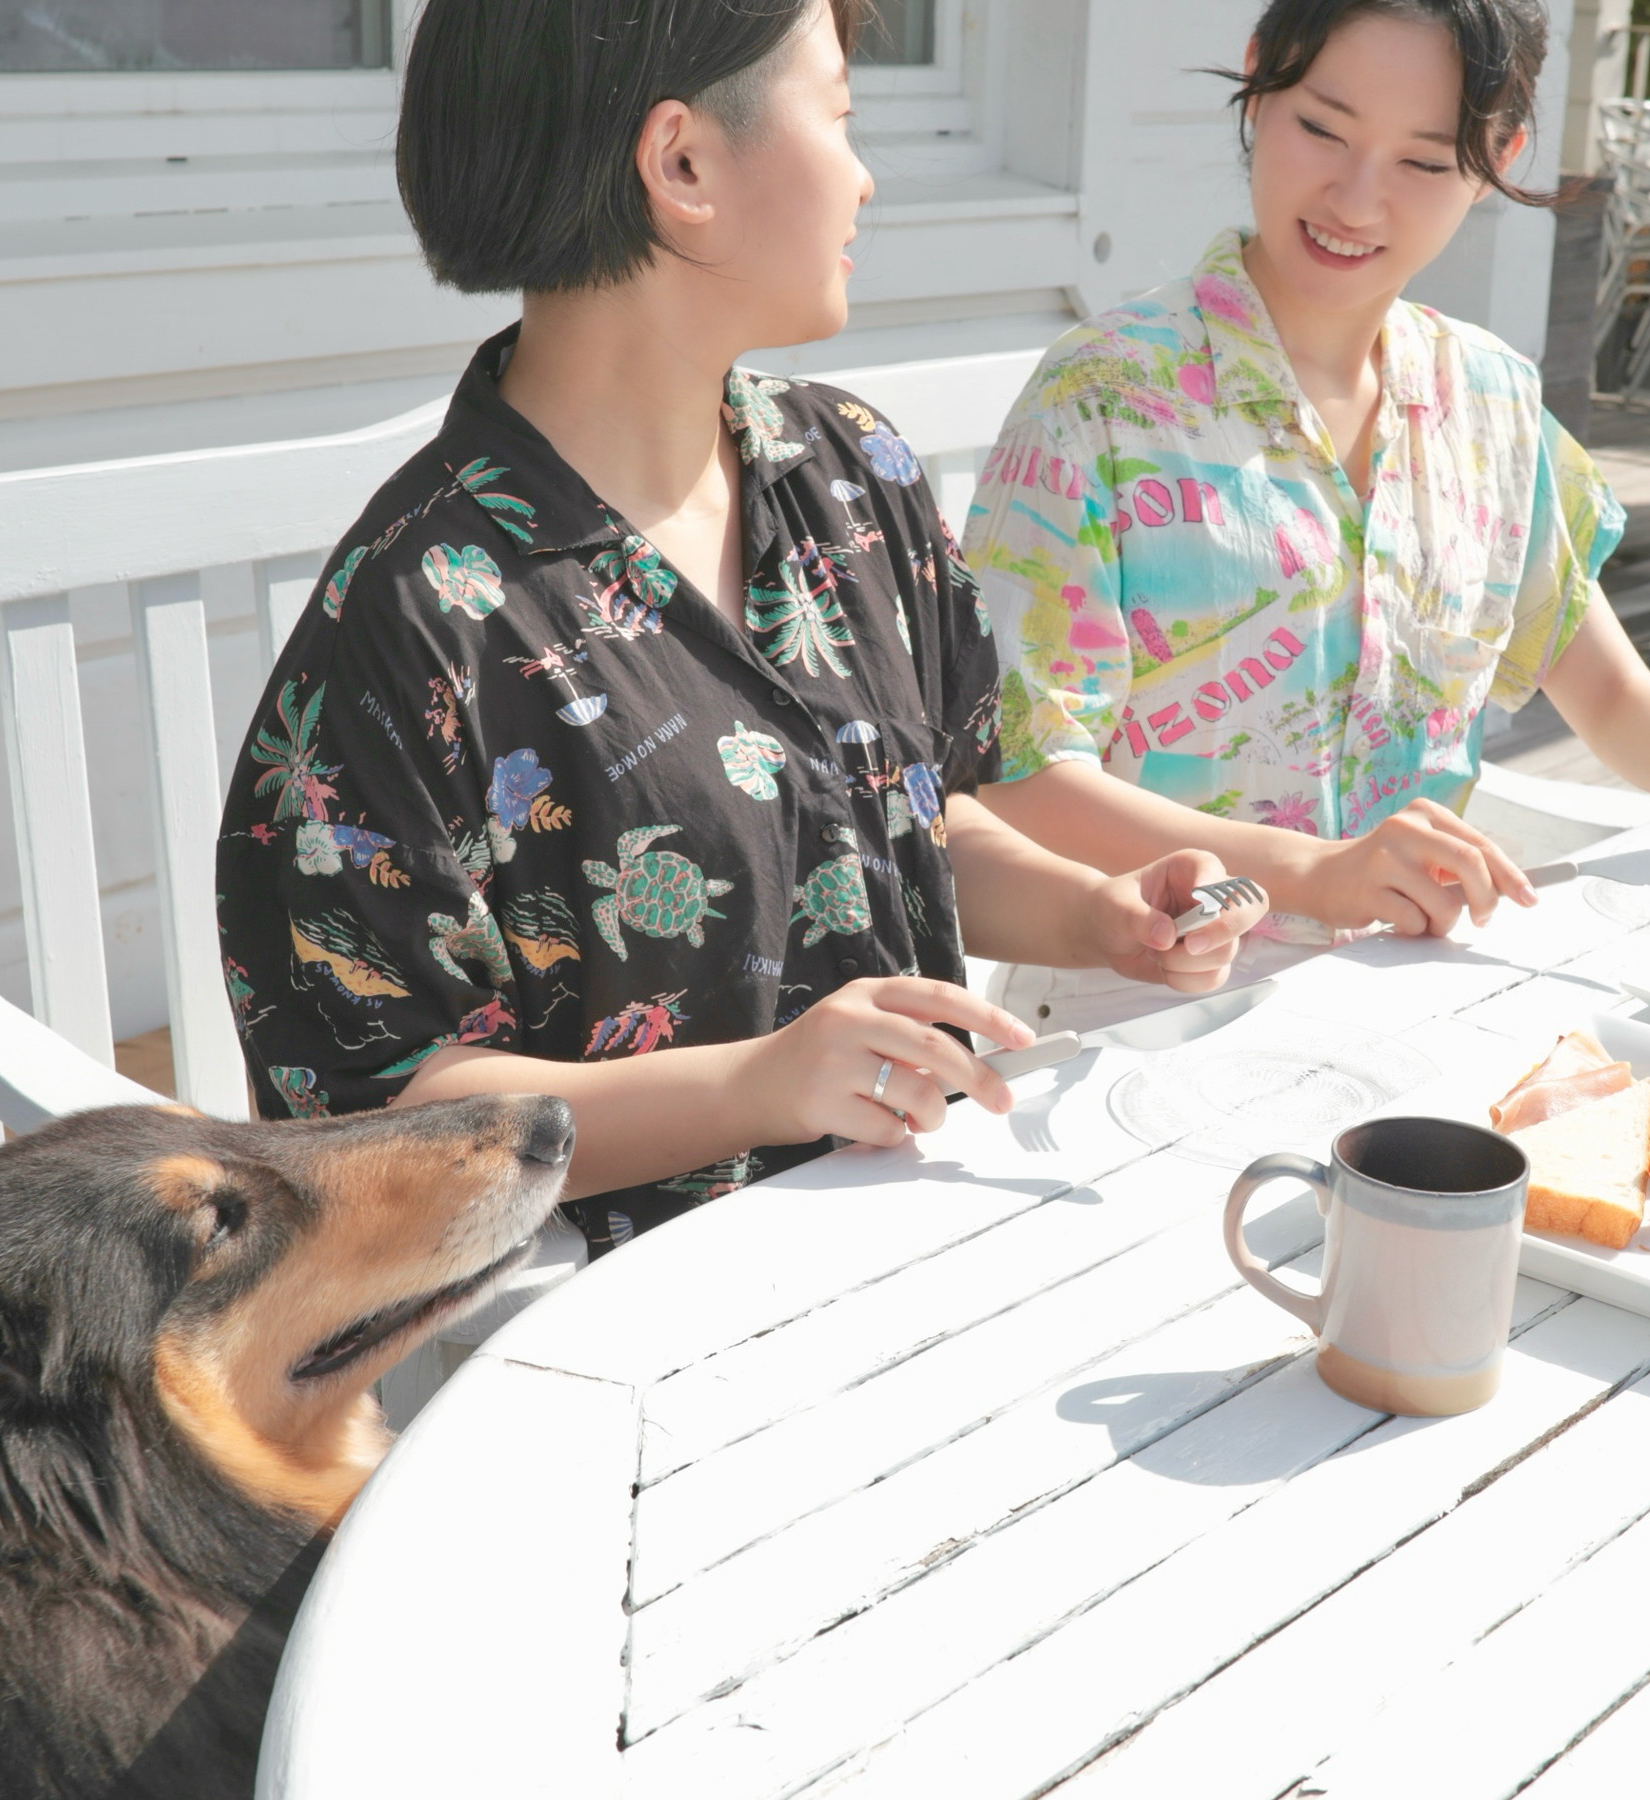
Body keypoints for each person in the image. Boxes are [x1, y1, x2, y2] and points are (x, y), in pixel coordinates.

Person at [215, 0, 1265, 1257]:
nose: (866, 177)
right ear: (682, 166)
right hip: (628, 1320)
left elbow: (915, 819)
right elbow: (378, 1117)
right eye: (838, 116)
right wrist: (758, 1086)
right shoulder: (419, 618)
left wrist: (1097, 916)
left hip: (934, 1219)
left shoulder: (849, 473)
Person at [966, 0, 1650, 1020]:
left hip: (1411, 1006)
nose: (1356, 201)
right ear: (1258, 83)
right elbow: (1018, 776)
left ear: (1499, 151)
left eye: (1419, 161)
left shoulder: (1489, 399)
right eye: (1320, 128)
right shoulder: (1099, 399)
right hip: (1132, 1018)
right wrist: (1310, 871)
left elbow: (1611, 695)